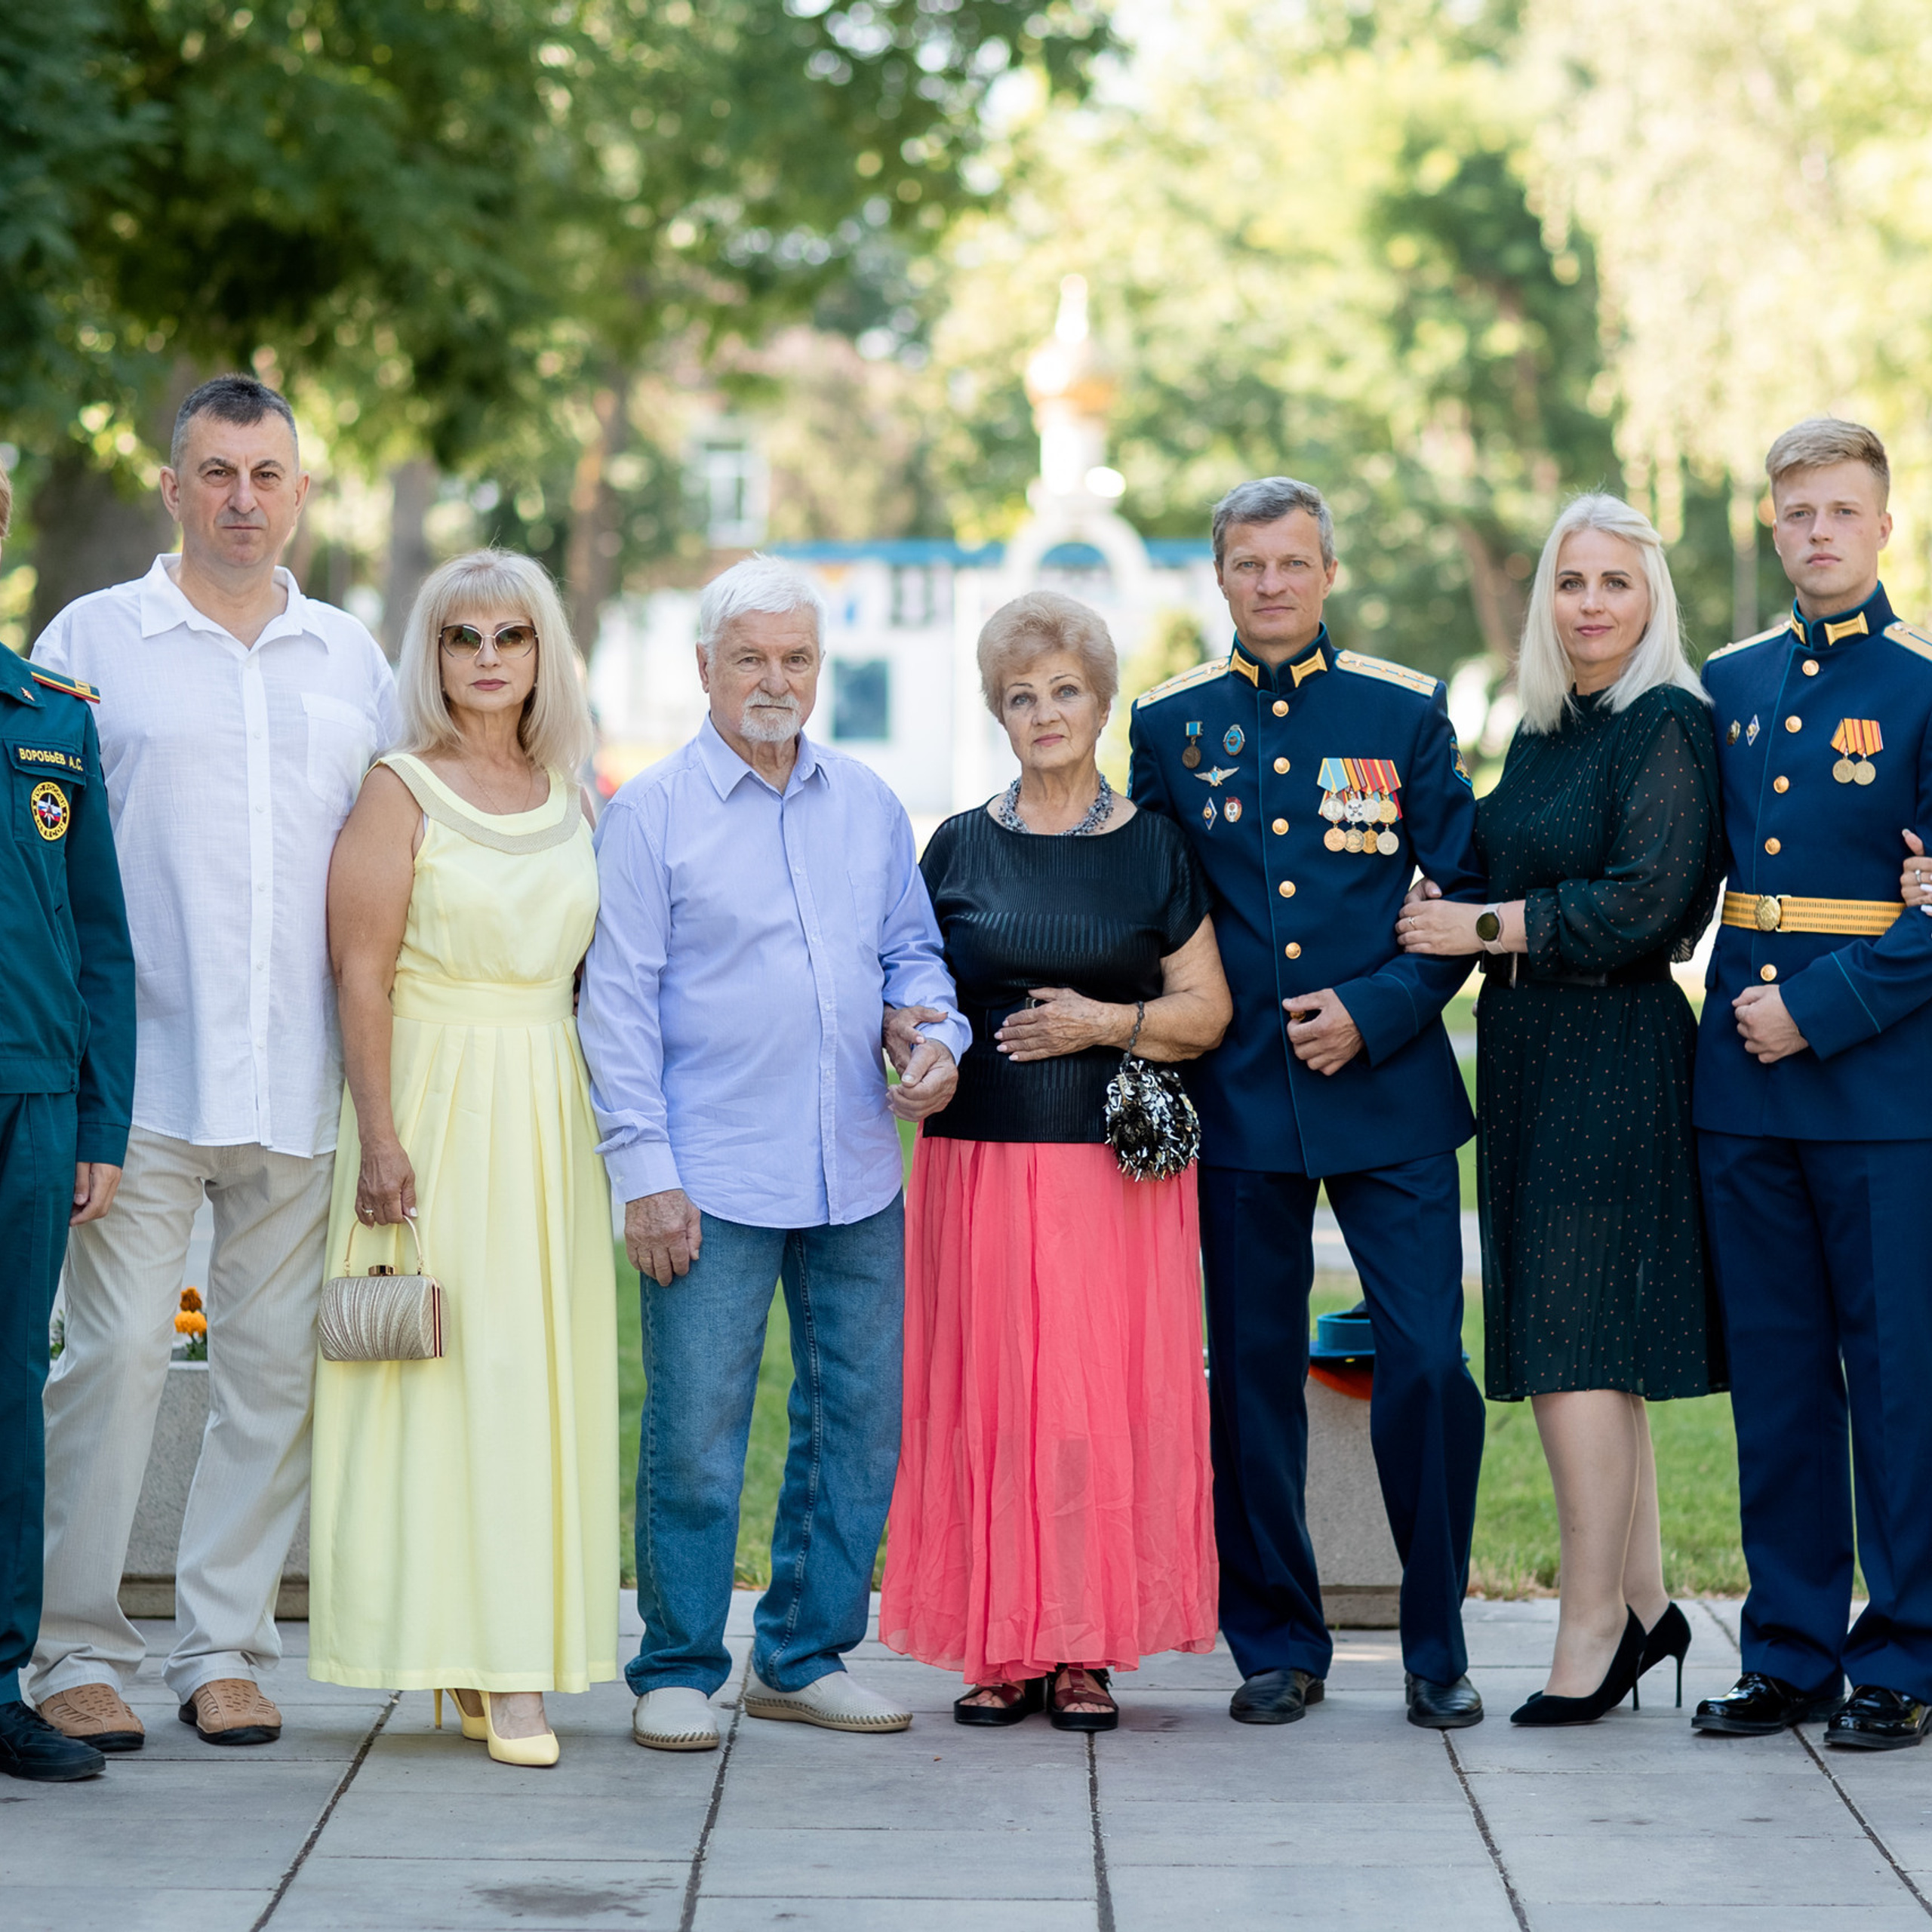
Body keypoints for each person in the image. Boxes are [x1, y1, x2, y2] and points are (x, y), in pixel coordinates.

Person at [28, 374, 398, 1750]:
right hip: (139, 1082)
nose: (244, 498)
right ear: (171, 488)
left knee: (270, 1375)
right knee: (115, 1356)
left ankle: (224, 1645)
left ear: (300, 494)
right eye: (218, 472)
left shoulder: (351, 660)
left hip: (297, 1077)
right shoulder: (93, 641)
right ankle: (72, 1649)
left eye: (268, 474)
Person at [579, 554, 966, 1752]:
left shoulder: (866, 804)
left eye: (797, 657)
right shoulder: (650, 815)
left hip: (855, 1166)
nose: (776, 678)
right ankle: (681, 1664)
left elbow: (912, 954)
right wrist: (644, 1174)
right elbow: (616, 1008)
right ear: (704, 668)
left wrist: (937, 1031)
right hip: (709, 1178)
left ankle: (800, 1654)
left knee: (859, 1423)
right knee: (696, 1430)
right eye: (750, 656)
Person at [1128, 475, 1490, 1730]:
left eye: (1294, 562)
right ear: (1219, 578)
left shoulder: (1403, 710)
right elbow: (1156, 909)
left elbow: (1462, 902)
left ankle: (1438, 1641)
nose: (1272, 584)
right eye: (1248, 565)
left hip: (1386, 1090)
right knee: (1252, 1374)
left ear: (1329, 572)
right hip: (1236, 1101)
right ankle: (1277, 1641)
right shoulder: (1169, 724)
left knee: (1432, 1366)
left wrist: (1379, 1009)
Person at [1397, 494, 1726, 1725]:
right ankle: (1645, 1609)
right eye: (1572, 583)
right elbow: (1490, 854)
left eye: (1616, 585)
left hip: (1616, 1046)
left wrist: (1482, 925)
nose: (1591, 604)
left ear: (1652, 603)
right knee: (1571, 1346)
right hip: (1529, 1048)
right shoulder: (1546, 729)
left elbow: (1648, 899)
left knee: (1580, 1352)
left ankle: (1589, 1627)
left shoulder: (1669, 727)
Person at [877, 592, 1229, 1732]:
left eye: (1065, 691)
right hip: (977, 1166)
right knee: (992, 1404)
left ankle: (1083, 1647)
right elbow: (912, 990)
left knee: (1094, 1406)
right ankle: (1001, 1641)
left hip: (1112, 1175)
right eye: (1020, 696)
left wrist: (1099, 1022)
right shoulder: (958, 846)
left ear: (1101, 701)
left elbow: (1207, 1013)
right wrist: (911, 1042)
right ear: (997, 711)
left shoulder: (1153, 849)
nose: (1044, 713)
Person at [310, 549, 614, 1768]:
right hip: (430, 1107)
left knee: (532, 1381)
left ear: (544, 654)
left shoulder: (569, 791)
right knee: (440, 1382)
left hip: (546, 1107)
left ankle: (512, 1652)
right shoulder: (399, 789)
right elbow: (360, 973)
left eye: (512, 635)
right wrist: (381, 1139)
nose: (489, 657)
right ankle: (473, 1658)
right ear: (430, 656)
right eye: (462, 637)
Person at [1690, 418, 1932, 1751]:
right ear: (1773, 529)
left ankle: (1902, 1651)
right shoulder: (1723, 685)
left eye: (1846, 510)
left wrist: (1818, 1012)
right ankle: (1789, 1649)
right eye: (1799, 512)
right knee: (1779, 1378)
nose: (1822, 531)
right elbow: (1673, 855)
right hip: (1741, 1081)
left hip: (1885, 1089)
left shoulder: (1926, 685)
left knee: (1897, 1380)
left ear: (1884, 526)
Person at [0, 462, 136, 1783]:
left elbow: (99, 939)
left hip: (33, 1104)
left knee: (7, 1400)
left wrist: (100, 1115)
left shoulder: (50, 718)